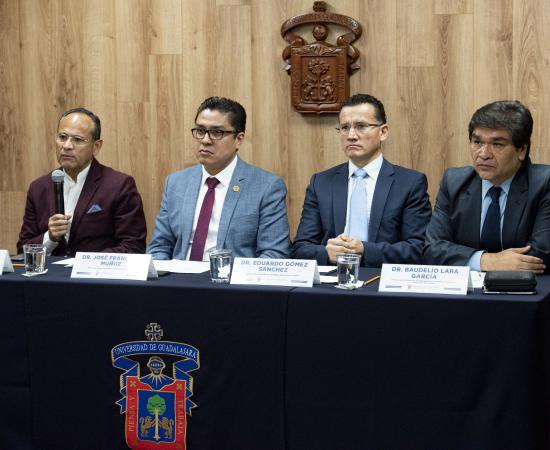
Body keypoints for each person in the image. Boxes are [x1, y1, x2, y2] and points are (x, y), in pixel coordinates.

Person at [292, 93, 431, 267]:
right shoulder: (321, 183)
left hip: (381, 279)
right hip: (332, 279)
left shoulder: (409, 183)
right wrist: (326, 253)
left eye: (361, 126)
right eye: (344, 127)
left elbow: (419, 249)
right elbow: (300, 248)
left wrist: (365, 250)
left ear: (383, 132)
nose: (351, 135)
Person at [147, 96, 291, 260]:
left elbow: (274, 253)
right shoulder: (176, 183)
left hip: (233, 276)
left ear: (239, 139)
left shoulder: (266, 187)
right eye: (200, 131)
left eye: (216, 133)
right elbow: (159, 246)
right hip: (179, 274)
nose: (205, 140)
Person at [423, 100, 550, 273]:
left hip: (526, 288)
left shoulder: (543, 183)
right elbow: (432, 249)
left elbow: (540, 255)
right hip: (467, 288)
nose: (483, 154)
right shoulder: (453, 182)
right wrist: (484, 260)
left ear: (521, 150)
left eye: (497, 144)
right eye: (477, 142)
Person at [17, 108, 147, 256]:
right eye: (62, 137)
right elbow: (23, 250)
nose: (66, 146)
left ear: (96, 147)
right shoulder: (39, 188)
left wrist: (84, 262)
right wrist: (50, 237)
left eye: (77, 140)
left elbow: (133, 247)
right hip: (50, 271)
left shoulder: (119, 186)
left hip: (95, 271)